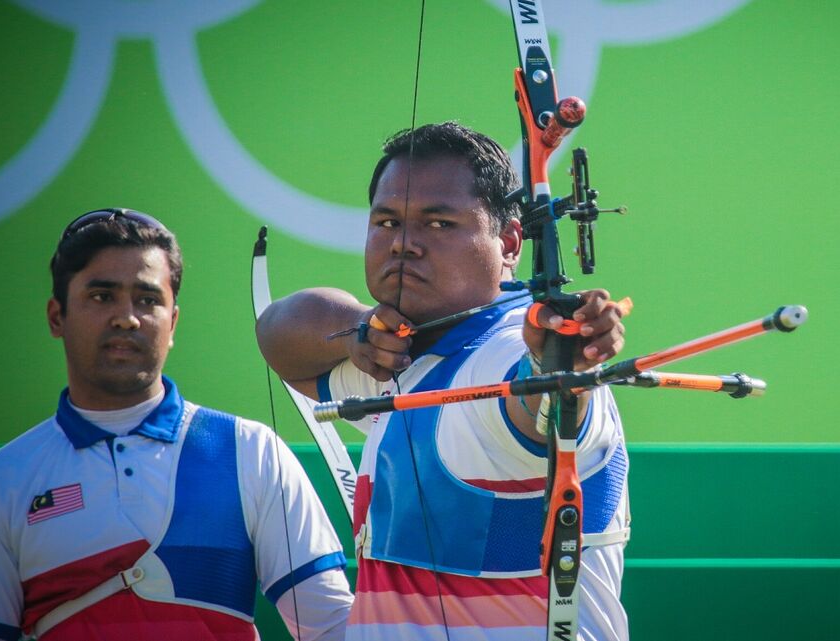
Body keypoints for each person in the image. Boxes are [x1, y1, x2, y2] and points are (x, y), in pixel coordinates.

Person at [255, 122, 632, 640]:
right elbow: (279, 333)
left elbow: (538, 407)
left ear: (509, 242)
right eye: (387, 221)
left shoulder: (501, 355)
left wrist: (561, 364)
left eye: (438, 224)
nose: (403, 244)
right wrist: (354, 334)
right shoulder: (400, 357)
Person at [0, 208, 353, 641]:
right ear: (56, 316)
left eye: (148, 299)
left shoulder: (250, 450)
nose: (127, 318)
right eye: (102, 296)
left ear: (173, 322)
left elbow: (332, 628)